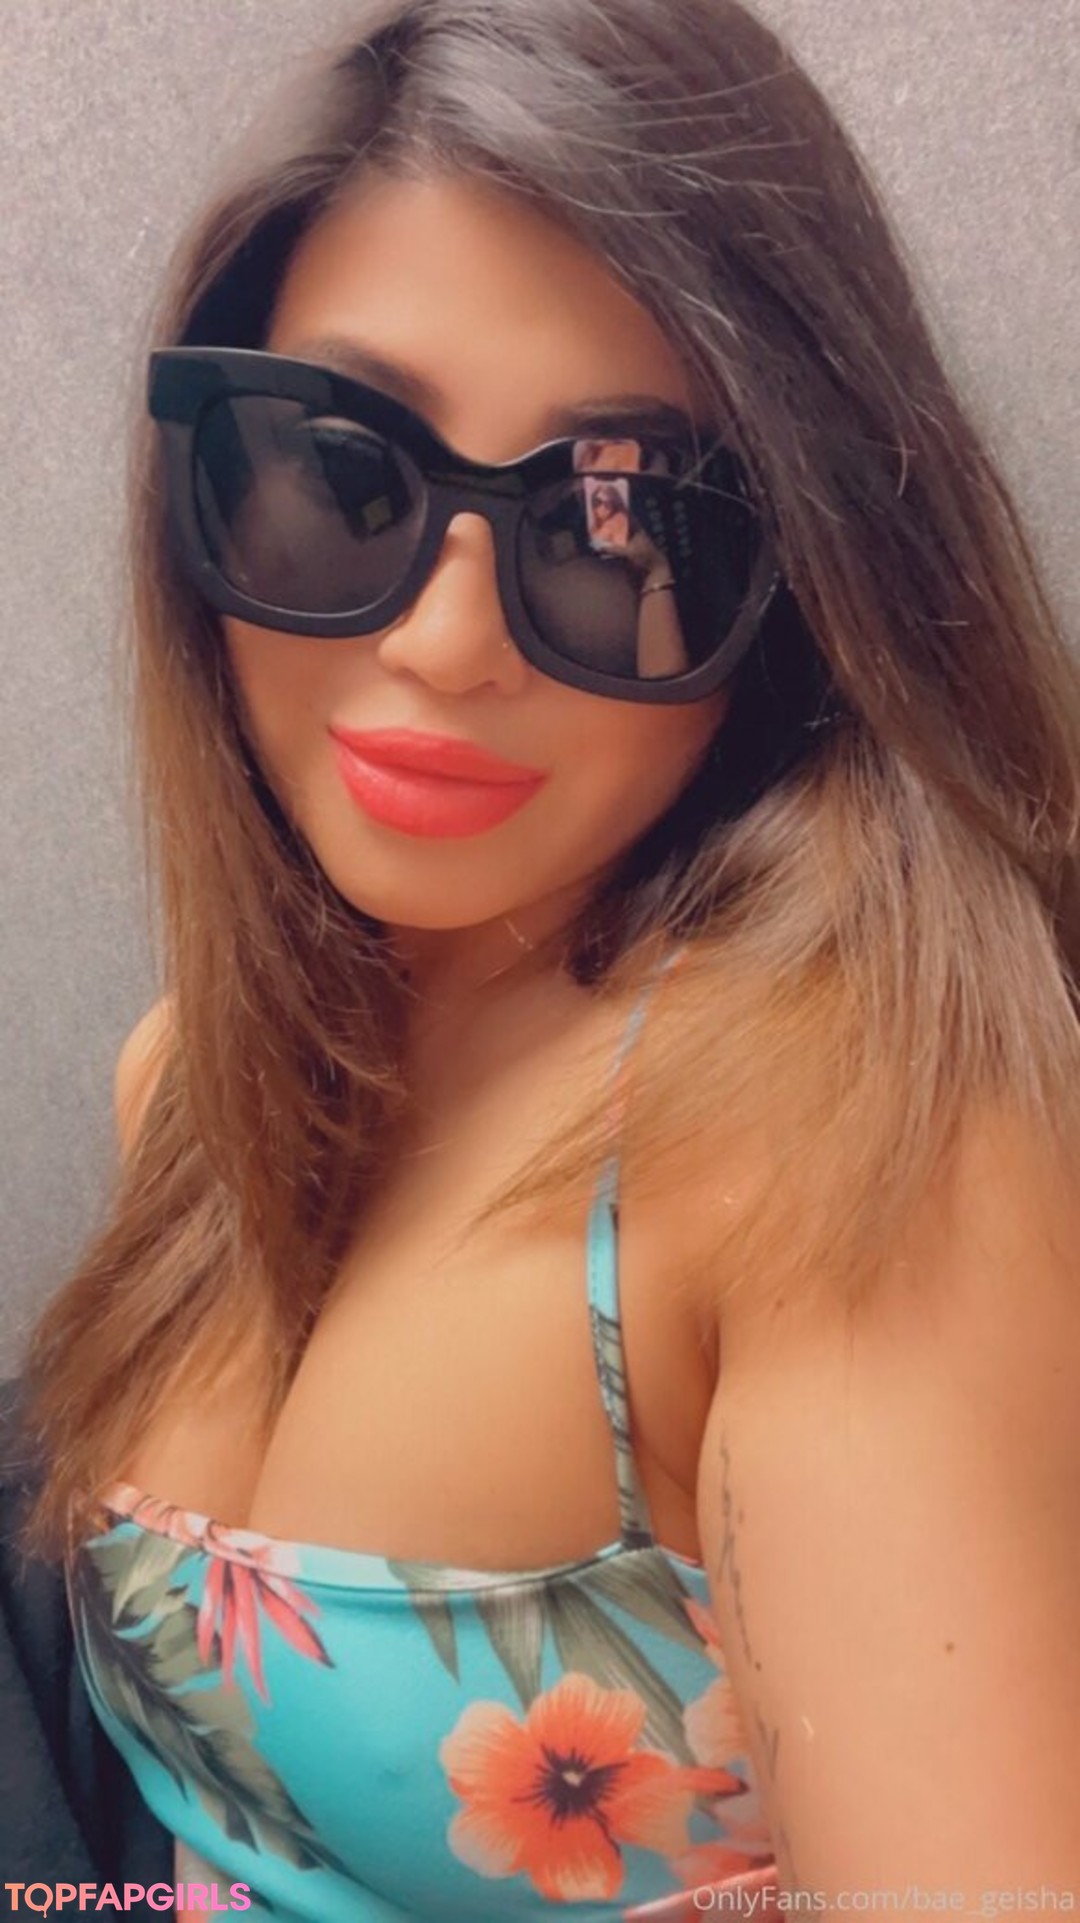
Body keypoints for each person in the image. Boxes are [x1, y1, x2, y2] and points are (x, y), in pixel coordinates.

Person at [8, 0, 1080, 1916]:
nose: (445, 639)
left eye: (620, 519)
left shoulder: (852, 1161)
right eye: (341, 473)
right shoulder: (192, 1077)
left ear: (808, 582)